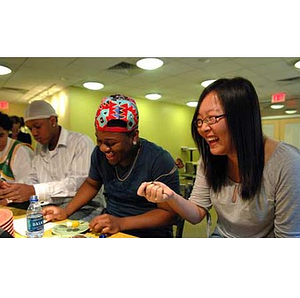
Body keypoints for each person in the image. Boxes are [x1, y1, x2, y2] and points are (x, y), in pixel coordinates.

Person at [138, 77, 300, 238]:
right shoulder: (210, 159)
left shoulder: (287, 163)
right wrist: (171, 197)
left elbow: (287, 238)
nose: (203, 128)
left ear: (241, 117)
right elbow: (197, 212)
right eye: (200, 121)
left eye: (212, 118)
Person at [43, 94, 180, 238]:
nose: (103, 148)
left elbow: (168, 214)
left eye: (111, 143)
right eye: (99, 140)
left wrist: (121, 223)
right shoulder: (99, 154)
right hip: (111, 229)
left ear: (134, 136)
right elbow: (91, 184)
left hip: (148, 234)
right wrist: (66, 211)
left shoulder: (159, 160)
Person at [0, 100, 103, 219]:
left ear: (53, 121)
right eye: (30, 128)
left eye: (37, 127)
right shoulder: (40, 147)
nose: (34, 133)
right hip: (50, 206)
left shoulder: (80, 142)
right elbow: (33, 177)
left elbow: (78, 184)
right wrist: (12, 188)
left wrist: (34, 190)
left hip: (84, 207)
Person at [0, 112, 34, 196]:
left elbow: (27, 187)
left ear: (8, 132)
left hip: (19, 201)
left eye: (1, 135)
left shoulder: (21, 151)